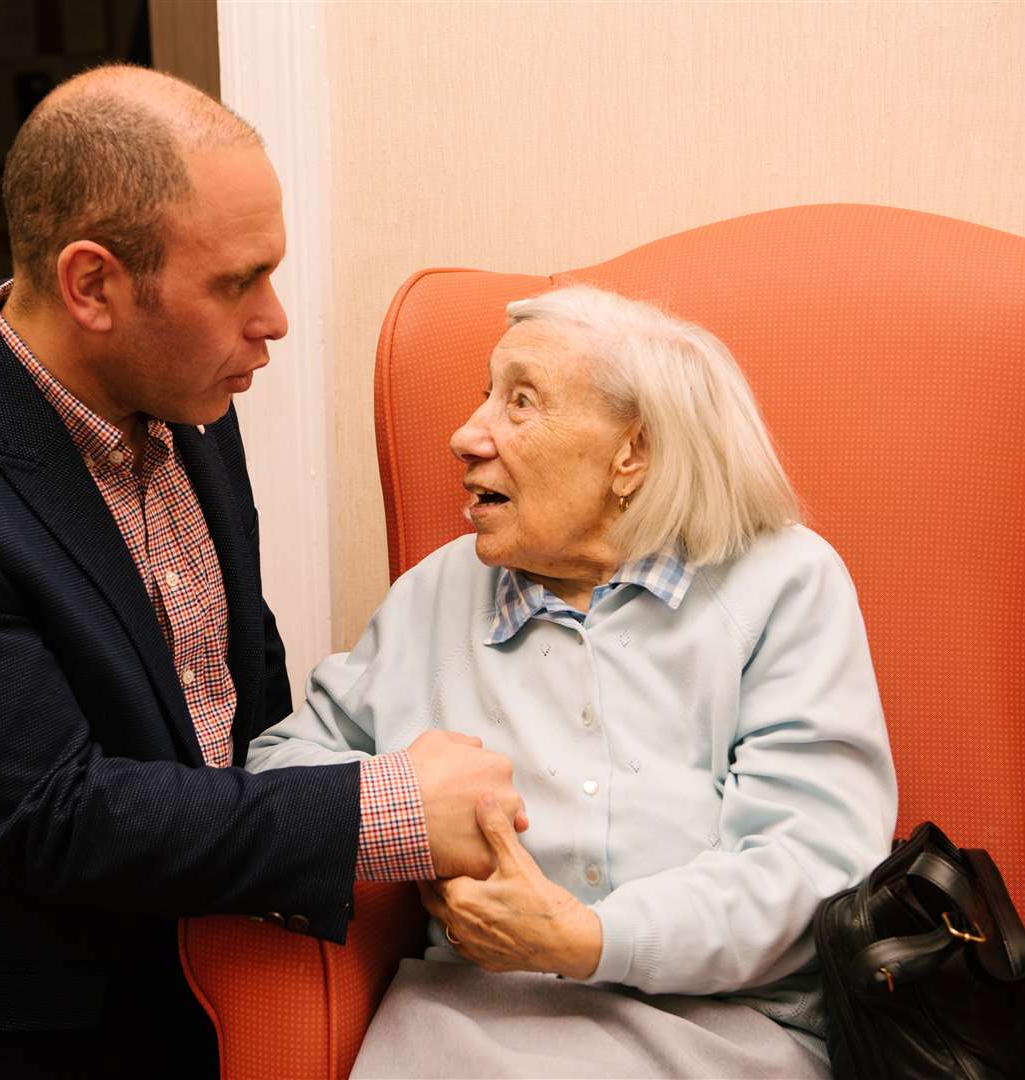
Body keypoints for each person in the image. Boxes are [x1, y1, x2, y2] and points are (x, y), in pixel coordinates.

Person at [0, 65, 525, 1080]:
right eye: (234, 282)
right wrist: (382, 809)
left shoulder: (186, 395)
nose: (274, 318)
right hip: (1, 1033)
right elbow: (59, 815)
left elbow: (231, 668)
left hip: (188, 981)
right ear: (93, 284)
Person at [247, 284, 899, 1078]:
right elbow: (280, 773)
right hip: (470, 1026)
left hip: (724, 1032)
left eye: (520, 402)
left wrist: (587, 939)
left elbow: (810, 860)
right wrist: (403, 809)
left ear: (634, 453)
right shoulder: (437, 594)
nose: (465, 435)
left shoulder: (783, 583)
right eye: (483, 395)